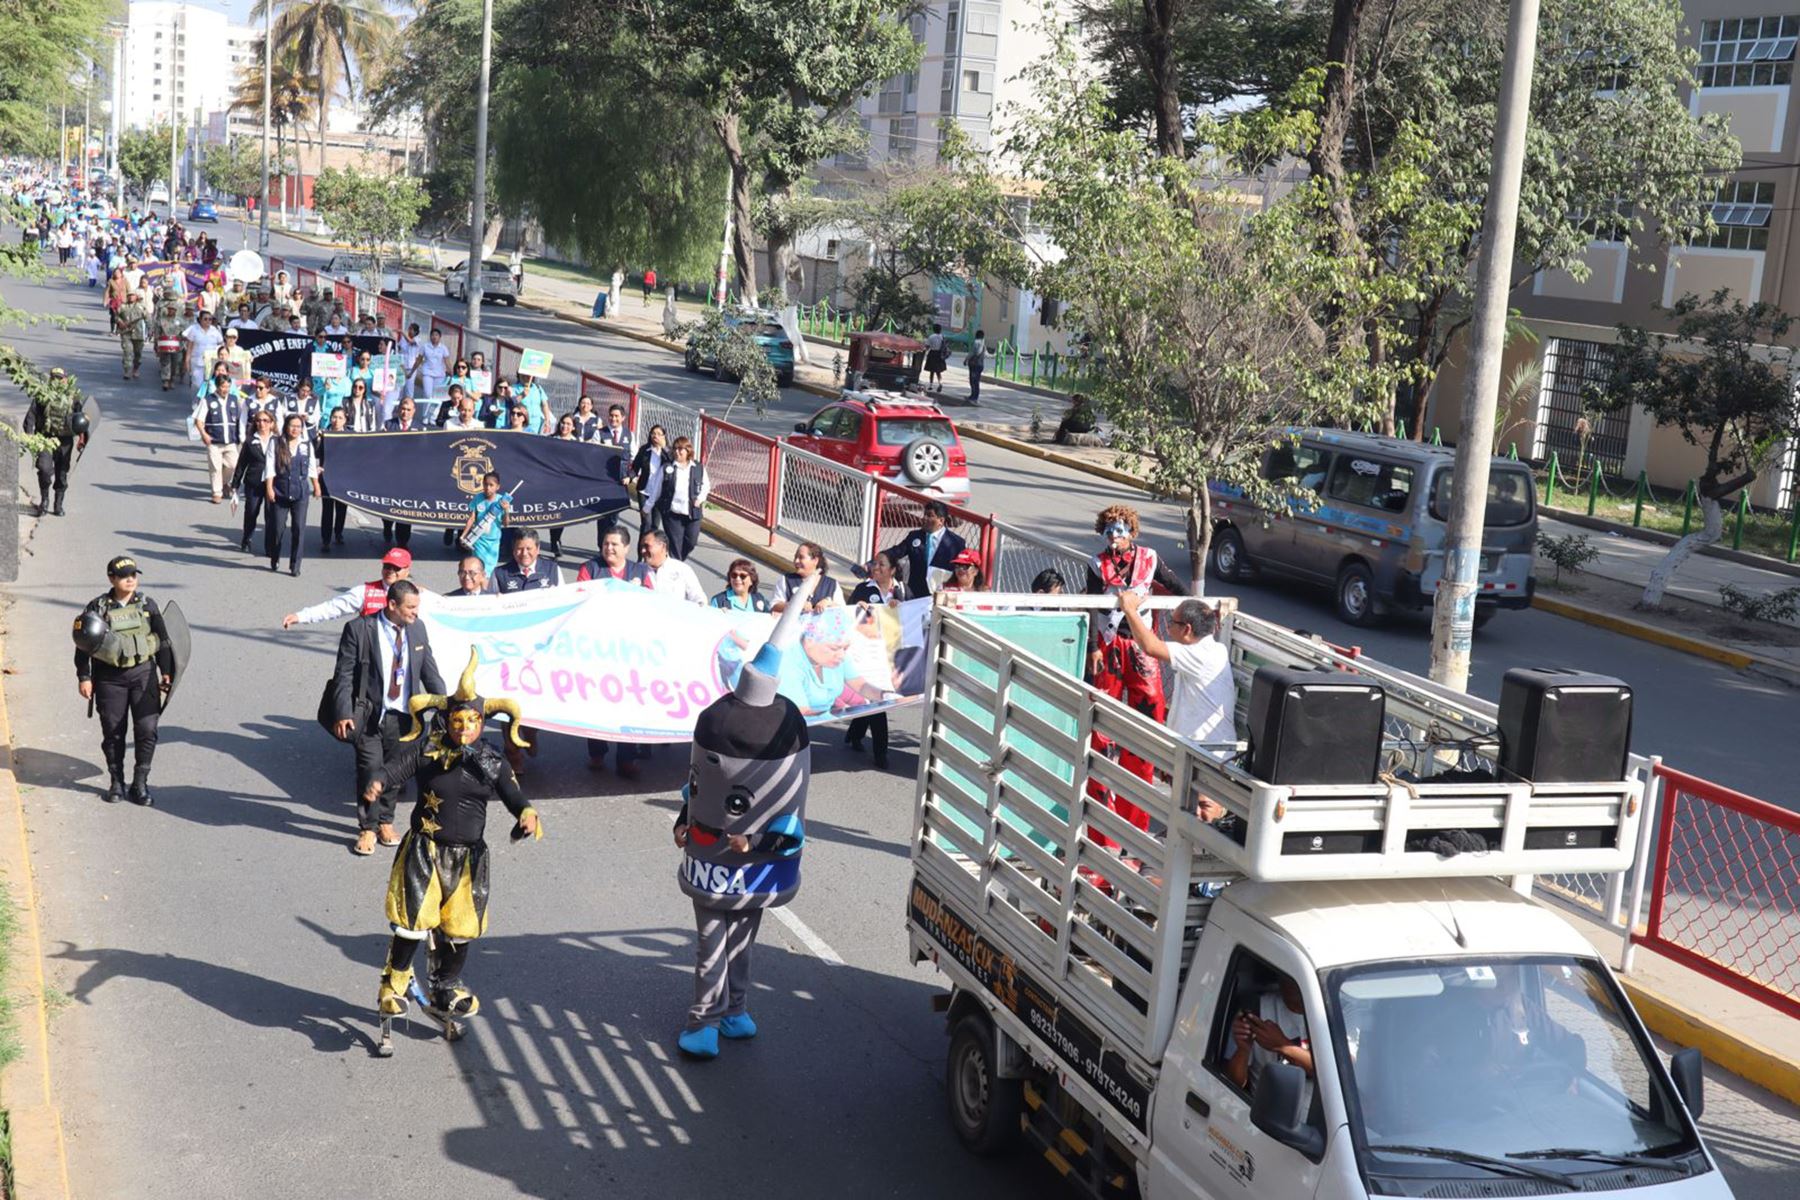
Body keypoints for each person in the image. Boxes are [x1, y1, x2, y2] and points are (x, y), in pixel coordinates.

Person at [672, 578, 814, 1059]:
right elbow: (696, 791)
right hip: (712, 863)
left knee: (738, 947)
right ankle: (705, 1020)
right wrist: (682, 820)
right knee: (712, 946)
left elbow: (788, 827)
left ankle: (732, 1011)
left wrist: (754, 844)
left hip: (747, 872)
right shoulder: (730, 724)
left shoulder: (766, 728)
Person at [366, 649, 540, 1030]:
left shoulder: (491, 760)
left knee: (461, 929)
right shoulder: (426, 750)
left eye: (472, 722)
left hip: (468, 860)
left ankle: (446, 986)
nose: (464, 729)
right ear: (445, 719)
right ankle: (393, 985)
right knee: (412, 923)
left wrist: (525, 813)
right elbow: (396, 769)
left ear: (482, 723)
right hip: (424, 853)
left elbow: (513, 794)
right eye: (457, 721)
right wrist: (378, 781)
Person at [328, 579, 446, 856]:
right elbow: (343, 675)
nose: (416, 613)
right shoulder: (359, 630)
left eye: (417, 607)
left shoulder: (417, 629)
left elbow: (429, 670)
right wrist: (343, 712)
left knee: (394, 770)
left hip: (405, 717)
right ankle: (367, 828)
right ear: (392, 605)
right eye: (411, 607)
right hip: (369, 716)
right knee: (370, 768)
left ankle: (386, 822)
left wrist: (445, 703)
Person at [72, 555, 177, 805]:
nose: (131, 579)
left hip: (143, 675)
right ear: (111, 578)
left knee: (147, 730)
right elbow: (82, 645)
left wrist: (166, 672)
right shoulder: (97, 607)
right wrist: (84, 676)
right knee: (113, 733)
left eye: (134, 574)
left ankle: (140, 784)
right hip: (110, 678)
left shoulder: (147, 605)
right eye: (124, 575)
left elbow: (163, 640)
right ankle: (116, 782)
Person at [1119, 593, 1235, 746]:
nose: (1167, 628)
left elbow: (1150, 647)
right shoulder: (1216, 649)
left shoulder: (1200, 654)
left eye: (1171, 622)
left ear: (1187, 629)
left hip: (1205, 751)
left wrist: (1130, 610)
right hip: (1205, 747)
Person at [844, 552, 905, 768]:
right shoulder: (864, 589)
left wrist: (901, 607)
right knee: (879, 702)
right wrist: (857, 608)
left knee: (872, 699)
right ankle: (881, 753)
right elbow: (847, 617)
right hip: (868, 654)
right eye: (874, 563)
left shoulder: (902, 591)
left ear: (893, 570)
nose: (876, 567)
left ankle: (855, 733)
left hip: (890, 656)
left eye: (882, 564)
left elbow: (914, 618)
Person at [1225, 971, 1313, 1097]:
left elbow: (1339, 1073)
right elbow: (1233, 1084)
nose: (1292, 983)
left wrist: (1283, 1046)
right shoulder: (1256, 1010)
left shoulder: (1335, 1008)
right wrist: (1243, 1050)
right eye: (1286, 976)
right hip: (1268, 1112)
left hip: (1325, 1112)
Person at [282, 548, 413, 629]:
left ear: (407, 570)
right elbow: (333, 608)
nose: (390, 571)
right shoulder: (365, 592)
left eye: (396, 568)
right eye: (387, 566)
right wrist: (301, 616)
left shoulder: (419, 596)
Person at [22, 366, 89, 517]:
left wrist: (82, 438)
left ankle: (58, 504)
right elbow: (31, 416)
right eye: (54, 378)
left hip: (65, 441)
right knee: (44, 470)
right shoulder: (43, 396)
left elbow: (81, 421)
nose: (57, 381)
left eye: (60, 378)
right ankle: (44, 501)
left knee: (62, 474)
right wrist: (30, 436)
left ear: (66, 379)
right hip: (45, 439)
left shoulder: (73, 398)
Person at [265, 413, 320, 576]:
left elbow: (311, 467)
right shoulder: (276, 442)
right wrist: (269, 488)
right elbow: (269, 466)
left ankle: (295, 565)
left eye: (298, 426)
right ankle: (274, 557)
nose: (295, 429)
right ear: (286, 427)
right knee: (277, 529)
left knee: (298, 529)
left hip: (300, 492)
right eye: (292, 426)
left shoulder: (306, 444)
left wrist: (316, 485)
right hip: (280, 491)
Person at [876, 500, 965, 599]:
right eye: (925, 514)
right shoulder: (914, 536)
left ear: (941, 520)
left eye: (930, 515)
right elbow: (896, 551)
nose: (924, 518)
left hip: (941, 594)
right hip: (915, 593)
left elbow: (961, 570)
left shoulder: (956, 543)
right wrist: (875, 561)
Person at [192, 370, 250, 505]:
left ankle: (224, 483)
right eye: (223, 387)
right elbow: (198, 421)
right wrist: (204, 435)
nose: (225, 390)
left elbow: (241, 418)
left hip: (231, 441)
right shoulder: (208, 400)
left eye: (228, 387)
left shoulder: (234, 399)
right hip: (214, 441)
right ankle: (216, 492)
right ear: (217, 386)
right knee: (215, 467)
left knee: (233, 465)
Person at [229, 409, 277, 553]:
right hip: (254, 482)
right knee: (251, 512)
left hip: (273, 484)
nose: (262, 424)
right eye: (258, 421)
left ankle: (270, 545)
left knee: (271, 515)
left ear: (272, 423)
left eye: (265, 421)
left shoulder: (278, 440)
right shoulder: (250, 441)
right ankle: (246, 539)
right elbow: (241, 464)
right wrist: (235, 485)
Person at [656, 436, 708, 560]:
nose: (677, 452)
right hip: (673, 513)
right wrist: (648, 506)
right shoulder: (668, 468)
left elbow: (706, 486)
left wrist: (700, 499)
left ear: (688, 451)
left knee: (691, 542)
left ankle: (677, 562)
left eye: (681, 449)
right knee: (675, 545)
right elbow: (656, 488)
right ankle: (676, 566)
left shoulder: (698, 468)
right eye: (675, 449)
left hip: (692, 512)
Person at [459, 472, 511, 575]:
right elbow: (472, 518)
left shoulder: (501, 501)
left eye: (491, 485)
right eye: (485, 484)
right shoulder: (478, 498)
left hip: (493, 541)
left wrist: (506, 510)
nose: (488, 488)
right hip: (479, 539)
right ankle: (478, 588)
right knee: (478, 568)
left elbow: (506, 524)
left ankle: (486, 589)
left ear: (497, 487)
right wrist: (463, 535)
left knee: (489, 570)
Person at [316, 406, 350, 552]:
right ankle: (325, 539)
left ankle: (338, 532)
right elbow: (316, 454)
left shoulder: (350, 435)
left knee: (341, 508)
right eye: (334, 417)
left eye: (340, 418)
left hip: (344, 477)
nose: (336, 421)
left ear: (345, 420)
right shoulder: (324, 434)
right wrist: (317, 440)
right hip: (327, 477)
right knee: (327, 509)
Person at [639, 530, 707, 604]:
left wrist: (700, 605)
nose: (643, 550)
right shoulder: (637, 569)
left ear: (663, 547)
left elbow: (698, 597)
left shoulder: (682, 570)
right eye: (642, 547)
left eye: (646, 546)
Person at [772, 541, 840, 613]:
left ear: (815, 560)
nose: (796, 561)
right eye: (795, 557)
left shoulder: (831, 584)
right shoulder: (786, 580)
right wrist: (795, 605)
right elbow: (774, 606)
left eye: (801, 557)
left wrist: (828, 603)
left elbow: (844, 611)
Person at [491, 529, 564, 593]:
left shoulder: (552, 570)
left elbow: (564, 599)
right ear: (513, 550)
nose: (524, 553)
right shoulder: (500, 574)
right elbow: (489, 602)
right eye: (520, 549)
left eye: (529, 548)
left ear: (538, 549)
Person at [631, 424, 670, 535]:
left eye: (659, 434)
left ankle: (651, 550)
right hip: (644, 490)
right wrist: (629, 477)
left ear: (664, 436)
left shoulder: (668, 452)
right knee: (646, 523)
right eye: (653, 433)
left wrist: (665, 448)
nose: (655, 436)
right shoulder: (645, 450)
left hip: (659, 494)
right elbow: (635, 467)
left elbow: (674, 464)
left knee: (654, 525)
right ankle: (641, 551)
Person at [151, 292, 187, 391]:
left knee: (176, 363)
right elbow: (157, 333)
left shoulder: (180, 321)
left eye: (173, 310)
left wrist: (183, 338)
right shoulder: (161, 321)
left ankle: (172, 379)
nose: (171, 311)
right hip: (164, 345)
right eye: (169, 309)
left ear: (176, 311)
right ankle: (165, 380)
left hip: (177, 346)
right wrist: (156, 344)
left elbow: (185, 333)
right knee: (165, 362)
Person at [182, 307, 223, 392]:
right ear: (200, 319)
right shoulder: (194, 330)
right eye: (205, 319)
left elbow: (221, 344)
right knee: (197, 385)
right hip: (197, 362)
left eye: (210, 319)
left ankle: (205, 404)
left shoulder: (215, 330)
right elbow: (189, 348)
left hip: (212, 363)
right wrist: (186, 362)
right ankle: (196, 403)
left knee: (210, 386)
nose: (208, 321)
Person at [116, 288, 151, 380]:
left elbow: (147, 318)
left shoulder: (141, 307)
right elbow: (116, 316)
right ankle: (127, 371)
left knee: (137, 354)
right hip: (126, 333)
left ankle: (135, 369)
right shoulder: (123, 306)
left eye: (132, 295)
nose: (131, 297)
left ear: (136, 297)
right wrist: (120, 322)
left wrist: (150, 329)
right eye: (129, 295)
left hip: (138, 334)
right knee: (127, 352)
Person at [965, 329, 988, 406]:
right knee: (976, 381)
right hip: (980, 364)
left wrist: (966, 359)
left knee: (973, 380)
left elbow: (973, 352)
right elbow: (985, 354)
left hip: (974, 364)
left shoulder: (976, 342)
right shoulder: (983, 344)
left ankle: (973, 396)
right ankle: (975, 396)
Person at [923, 323, 947, 394]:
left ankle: (931, 385)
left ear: (933, 329)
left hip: (932, 353)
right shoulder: (942, 336)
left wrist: (924, 351)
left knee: (932, 370)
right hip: (939, 354)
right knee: (938, 371)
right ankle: (940, 383)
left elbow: (927, 346)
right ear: (940, 330)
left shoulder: (931, 337)